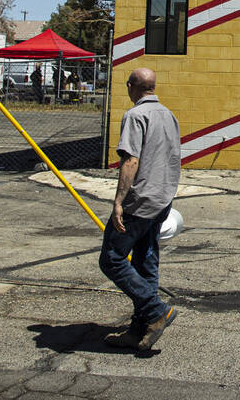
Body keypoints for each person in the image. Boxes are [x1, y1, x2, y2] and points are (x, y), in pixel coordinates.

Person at [99, 67, 182, 351]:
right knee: (145, 261)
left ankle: (155, 309)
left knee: (111, 258)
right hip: (163, 198)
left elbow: (131, 161)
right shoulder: (169, 115)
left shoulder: (135, 116)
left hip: (141, 202)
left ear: (133, 86)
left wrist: (119, 202)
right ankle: (140, 329)